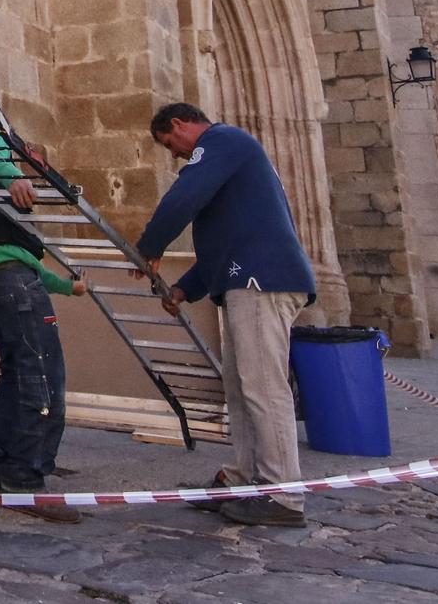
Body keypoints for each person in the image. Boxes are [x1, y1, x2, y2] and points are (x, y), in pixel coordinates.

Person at [133, 102, 317, 529]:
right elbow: (229, 239)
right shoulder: (234, 155)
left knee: (263, 387)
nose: (176, 157)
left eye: (171, 146)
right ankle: (247, 478)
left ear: (179, 124)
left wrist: (150, 246)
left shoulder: (223, 141)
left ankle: (281, 494)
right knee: (241, 386)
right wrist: (185, 288)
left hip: (261, 282)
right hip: (248, 279)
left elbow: (185, 196)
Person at [0, 131, 83, 522]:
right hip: (10, 281)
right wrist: (14, 177)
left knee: (19, 374)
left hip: (5, 277)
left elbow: (28, 263)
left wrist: (68, 288)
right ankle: (25, 477)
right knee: (42, 377)